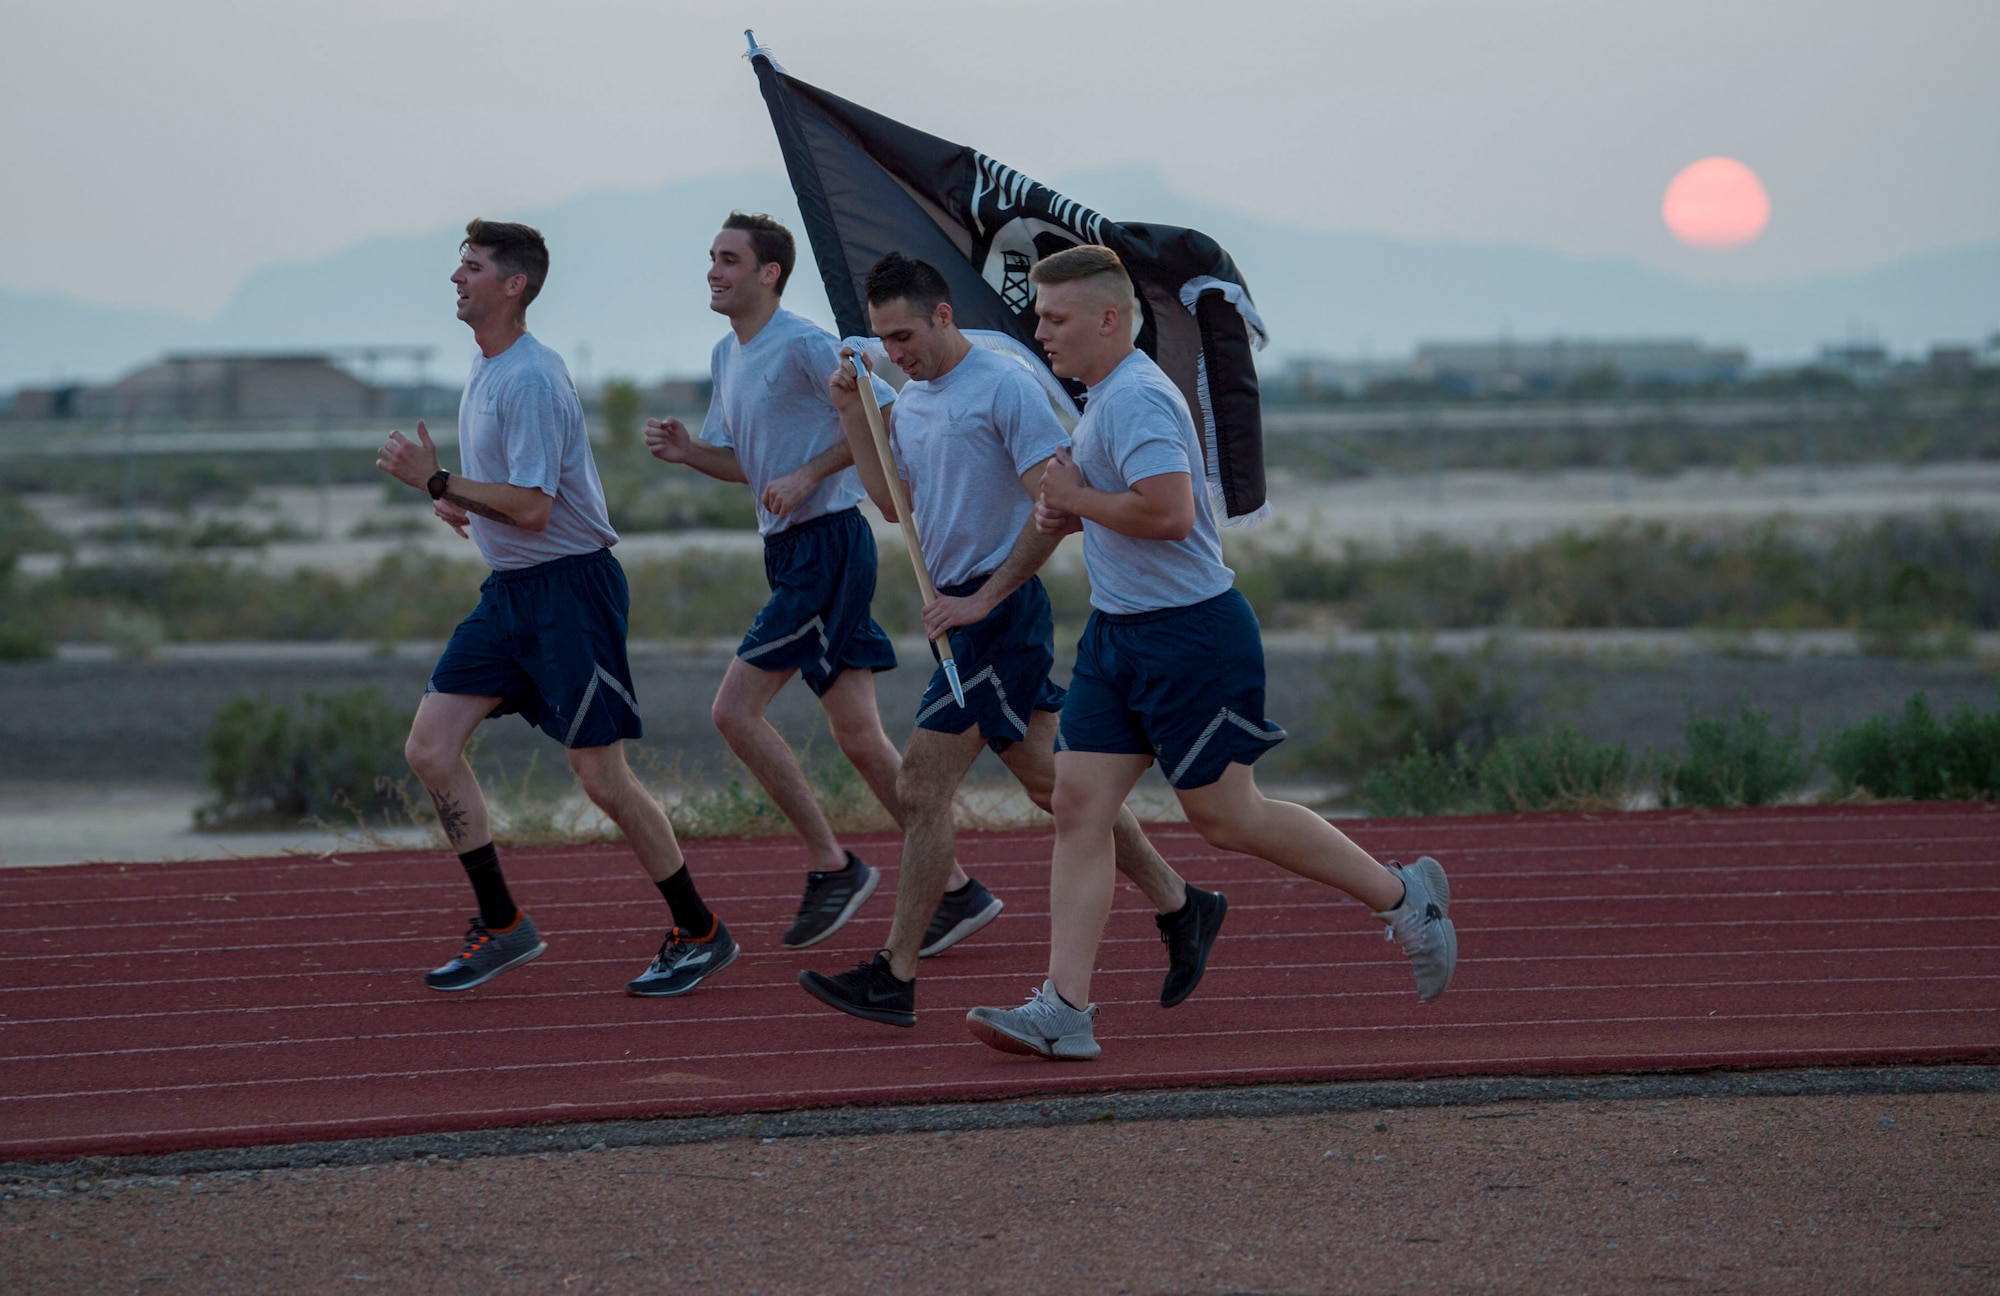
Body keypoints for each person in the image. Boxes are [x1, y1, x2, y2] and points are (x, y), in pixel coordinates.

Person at [965, 245, 1458, 1060]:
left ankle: (1405, 896)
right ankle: (1064, 1010)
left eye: (1054, 318)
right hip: (1118, 635)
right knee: (1078, 808)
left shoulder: (1140, 400)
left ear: (1108, 318)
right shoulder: (1101, 401)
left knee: (1227, 818)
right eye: (1040, 316)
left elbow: (1167, 513)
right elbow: (1094, 506)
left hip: (1191, 634)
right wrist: (1059, 506)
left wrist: (1077, 498)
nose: (1039, 331)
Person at [799, 253, 1226, 1029]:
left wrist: (983, 600)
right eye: (883, 340)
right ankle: (1181, 903)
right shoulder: (913, 400)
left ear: (942, 316)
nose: (895, 353)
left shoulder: (1004, 384)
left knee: (922, 786)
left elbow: (1051, 511)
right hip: (959, 614)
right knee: (1055, 786)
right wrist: (855, 414)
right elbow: (892, 505)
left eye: (904, 335)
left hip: (998, 615)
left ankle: (895, 973)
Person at [376, 218, 733, 997]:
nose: (455, 278)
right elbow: (514, 497)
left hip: (571, 590)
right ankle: (503, 924)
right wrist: (462, 503)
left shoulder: (533, 376)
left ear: (514, 285)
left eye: (470, 267)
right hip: (510, 596)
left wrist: (440, 483)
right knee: (430, 749)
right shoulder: (486, 368)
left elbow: (537, 509)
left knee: (600, 779)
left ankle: (699, 929)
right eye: (457, 264)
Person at [644, 213, 915, 948]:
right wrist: (689, 453)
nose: (713, 270)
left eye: (729, 259)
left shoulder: (800, 341)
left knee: (734, 712)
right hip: (791, 548)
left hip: (828, 543)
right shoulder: (726, 356)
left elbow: (880, 411)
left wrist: (808, 475)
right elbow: (743, 463)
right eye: (711, 258)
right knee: (860, 737)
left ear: (769, 273)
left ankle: (834, 864)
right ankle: (951, 885)